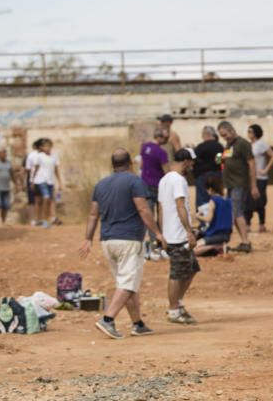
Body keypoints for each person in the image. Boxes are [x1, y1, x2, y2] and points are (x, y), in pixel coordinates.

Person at [80, 148, 163, 340]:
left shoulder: (101, 184)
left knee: (126, 283)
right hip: (129, 240)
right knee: (127, 283)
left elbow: (93, 214)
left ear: (112, 165)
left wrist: (87, 238)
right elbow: (143, 209)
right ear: (130, 163)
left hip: (108, 240)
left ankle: (138, 324)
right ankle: (107, 320)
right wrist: (157, 233)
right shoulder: (135, 181)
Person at [158, 148, 199, 325]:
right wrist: (189, 231)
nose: (192, 166)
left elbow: (160, 208)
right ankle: (174, 310)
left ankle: (178, 303)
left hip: (170, 233)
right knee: (177, 273)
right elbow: (180, 205)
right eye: (192, 163)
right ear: (186, 161)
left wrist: (161, 233)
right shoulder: (179, 180)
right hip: (178, 235)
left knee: (191, 269)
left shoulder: (164, 179)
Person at [217, 121, 258, 252]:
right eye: (222, 136)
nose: (225, 137)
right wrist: (220, 158)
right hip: (230, 184)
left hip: (239, 183)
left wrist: (253, 185)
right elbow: (224, 160)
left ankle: (245, 241)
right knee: (233, 213)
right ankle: (244, 241)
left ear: (232, 130)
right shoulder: (229, 145)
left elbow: (251, 163)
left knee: (237, 212)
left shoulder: (243, 144)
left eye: (225, 134)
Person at [139, 128, 169, 258]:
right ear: (161, 138)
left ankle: (153, 243)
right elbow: (167, 171)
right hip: (158, 186)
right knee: (161, 214)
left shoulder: (144, 147)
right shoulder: (162, 152)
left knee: (149, 215)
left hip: (145, 185)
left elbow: (141, 165)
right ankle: (162, 241)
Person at [193, 174, 232, 257]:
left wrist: (198, 216)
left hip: (215, 234)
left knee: (193, 250)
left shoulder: (213, 201)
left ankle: (217, 247)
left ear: (210, 189)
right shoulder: (228, 201)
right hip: (226, 235)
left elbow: (208, 219)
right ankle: (218, 248)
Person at [246, 124, 273, 233]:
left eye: (250, 131)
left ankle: (262, 224)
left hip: (260, 176)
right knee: (249, 201)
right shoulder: (248, 145)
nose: (248, 134)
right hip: (250, 177)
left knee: (260, 200)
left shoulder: (261, 144)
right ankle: (248, 224)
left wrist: (266, 169)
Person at [32, 138, 62, 230]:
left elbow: (56, 169)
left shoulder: (54, 156)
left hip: (50, 181)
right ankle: (44, 220)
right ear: (41, 147)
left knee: (50, 200)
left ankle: (48, 219)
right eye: (46, 146)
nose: (48, 148)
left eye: (49, 146)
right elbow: (36, 169)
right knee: (46, 198)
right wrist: (32, 180)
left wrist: (60, 181)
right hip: (41, 180)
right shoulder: (39, 156)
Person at [193, 126, 223, 207]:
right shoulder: (219, 146)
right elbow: (219, 161)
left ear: (206, 134)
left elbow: (193, 159)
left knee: (202, 200)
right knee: (216, 197)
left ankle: (204, 217)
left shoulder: (201, 147)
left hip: (202, 175)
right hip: (216, 174)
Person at [0, 145, 12, 224]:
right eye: (3, 153)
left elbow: (12, 173)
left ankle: (4, 221)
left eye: (5, 153)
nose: (4, 154)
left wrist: (17, 184)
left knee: (5, 206)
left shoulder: (8, 163)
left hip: (6, 188)